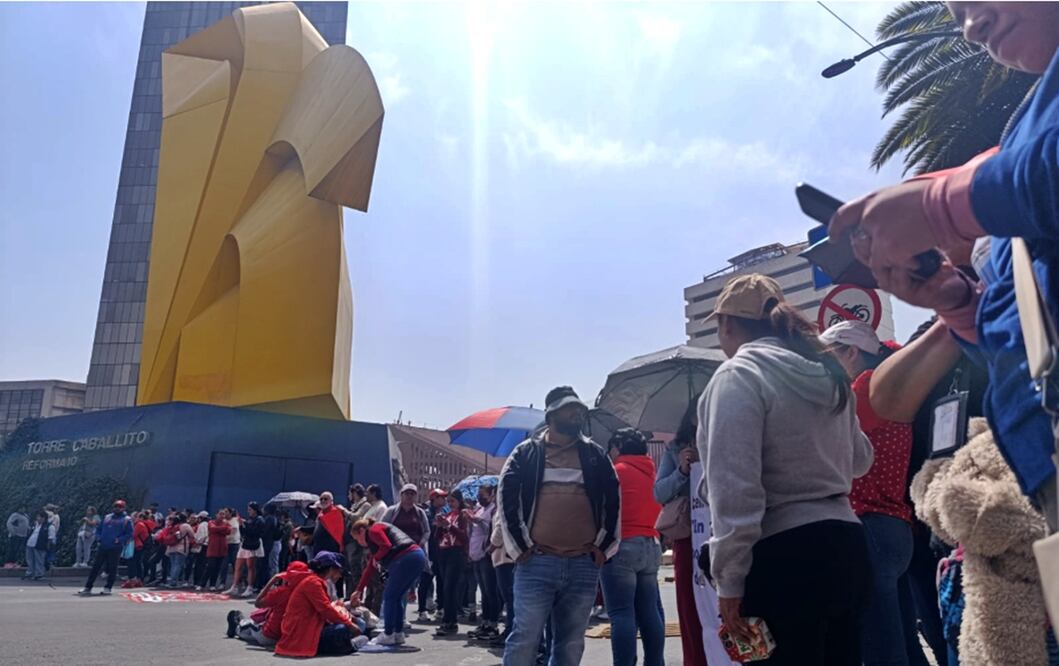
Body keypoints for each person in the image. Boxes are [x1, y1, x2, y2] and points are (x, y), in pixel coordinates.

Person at [828, 1, 1059, 529]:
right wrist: (956, 304)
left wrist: (942, 206)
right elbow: (1020, 334)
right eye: (957, 18)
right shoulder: (1029, 118)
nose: (972, 27)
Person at [698, 274, 874, 665]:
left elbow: (735, 489)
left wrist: (729, 581)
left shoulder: (738, 375)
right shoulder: (828, 373)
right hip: (846, 544)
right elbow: (861, 460)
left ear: (726, 324)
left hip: (782, 556)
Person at [820, 320, 926, 666]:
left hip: (868, 523)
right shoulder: (884, 382)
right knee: (904, 642)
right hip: (895, 525)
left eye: (828, 355)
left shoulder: (864, 386)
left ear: (851, 352)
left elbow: (829, 442)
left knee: (882, 648)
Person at [498, 385, 621, 666]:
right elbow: (506, 499)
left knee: (571, 642)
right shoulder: (526, 453)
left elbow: (613, 499)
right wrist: (521, 547)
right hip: (536, 563)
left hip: (583, 564)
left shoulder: (595, 455)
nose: (577, 413)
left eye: (578, 409)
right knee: (525, 639)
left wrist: (604, 546)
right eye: (570, 409)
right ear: (552, 413)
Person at [602, 428, 665, 666]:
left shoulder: (615, 472)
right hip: (651, 544)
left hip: (622, 546)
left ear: (617, 446)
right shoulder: (652, 472)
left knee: (621, 614)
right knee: (650, 612)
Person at [653, 402, 706, 666]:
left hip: (725, 534)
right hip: (688, 536)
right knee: (690, 606)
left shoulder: (730, 435)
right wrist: (682, 470)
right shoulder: (675, 449)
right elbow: (659, 492)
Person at [350, 518, 429, 646]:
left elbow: (386, 545)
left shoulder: (373, 530)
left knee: (389, 597)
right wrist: (358, 590)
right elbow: (370, 568)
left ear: (361, 531)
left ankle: (388, 633)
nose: (358, 543)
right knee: (397, 597)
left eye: (356, 538)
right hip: (416, 557)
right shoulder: (375, 542)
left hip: (405, 558)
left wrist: (376, 558)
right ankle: (398, 633)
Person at [275, 551, 359, 657]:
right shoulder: (313, 583)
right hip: (301, 632)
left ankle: (346, 643)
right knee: (341, 630)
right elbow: (326, 610)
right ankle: (347, 645)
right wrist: (349, 625)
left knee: (352, 624)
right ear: (330, 569)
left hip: (307, 627)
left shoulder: (315, 581)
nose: (338, 575)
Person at [228, 560, 314, 647]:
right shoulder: (308, 592)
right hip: (289, 635)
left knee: (247, 626)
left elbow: (258, 603)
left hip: (270, 635)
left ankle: (237, 626)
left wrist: (272, 581)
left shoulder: (282, 592)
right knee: (257, 625)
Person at [380, 484, 431, 620]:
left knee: (408, 585)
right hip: (395, 553)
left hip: (413, 553)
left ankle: (401, 617)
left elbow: (427, 531)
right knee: (395, 585)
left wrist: (421, 543)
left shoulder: (420, 513)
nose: (409, 497)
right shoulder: (392, 511)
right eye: (406, 493)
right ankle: (392, 618)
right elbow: (382, 527)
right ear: (401, 495)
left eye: (412, 494)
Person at [466, 484, 501, 641]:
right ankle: (485, 622)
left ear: (491, 495)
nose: (480, 498)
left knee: (490, 592)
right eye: (479, 495)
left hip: (486, 555)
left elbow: (491, 529)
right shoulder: (479, 508)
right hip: (475, 555)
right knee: (484, 593)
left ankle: (492, 624)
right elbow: (472, 531)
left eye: (483, 495)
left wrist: (477, 520)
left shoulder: (493, 510)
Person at [78, 499, 134, 596]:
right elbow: (99, 529)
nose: (117, 508)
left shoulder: (126, 520)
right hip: (103, 545)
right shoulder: (107, 517)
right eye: (116, 506)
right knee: (96, 567)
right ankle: (88, 587)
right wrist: (99, 538)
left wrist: (119, 540)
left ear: (123, 508)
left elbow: (129, 534)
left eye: (120, 507)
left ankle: (108, 587)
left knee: (113, 568)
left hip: (115, 547)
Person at [434, 489, 470, 636]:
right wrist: (439, 525)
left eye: (453, 501)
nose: (450, 504)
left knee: (450, 587)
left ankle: (451, 621)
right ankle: (446, 619)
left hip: (456, 552)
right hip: (444, 552)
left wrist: (449, 526)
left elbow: (463, 536)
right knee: (444, 586)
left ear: (459, 501)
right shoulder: (449, 514)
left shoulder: (463, 515)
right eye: (448, 502)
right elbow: (438, 536)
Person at [488, 504, 515, 648]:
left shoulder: (503, 508)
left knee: (510, 599)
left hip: (505, 558)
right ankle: (510, 630)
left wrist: (491, 546)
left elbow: (499, 528)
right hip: (505, 557)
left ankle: (510, 631)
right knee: (509, 599)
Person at [226, 502, 265, 597]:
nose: (248, 511)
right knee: (238, 565)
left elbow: (254, 532)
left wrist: (244, 524)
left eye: (250, 510)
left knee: (250, 566)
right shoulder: (251, 519)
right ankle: (234, 586)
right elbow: (244, 532)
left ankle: (250, 587)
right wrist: (242, 524)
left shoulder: (259, 520)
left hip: (252, 544)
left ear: (255, 510)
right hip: (245, 544)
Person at [424, 488, 448, 621]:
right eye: (441, 497)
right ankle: (426, 603)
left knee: (441, 579)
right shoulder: (428, 513)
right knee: (427, 578)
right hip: (431, 551)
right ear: (434, 499)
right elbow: (428, 531)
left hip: (442, 551)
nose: (444, 500)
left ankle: (440, 606)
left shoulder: (444, 512)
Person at [162, 512, 196, 588]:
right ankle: (173, 582)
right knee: (178, 565)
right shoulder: (186, 526)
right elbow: (192, 535)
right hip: (181, 548)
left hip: (171, 548)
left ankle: (171, 580)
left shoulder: (174, 525)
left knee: (173, 565)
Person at [204, 509, 233, 591]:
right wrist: (223, 529)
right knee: (210, 567)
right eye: (220, 514)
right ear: (216, 514)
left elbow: (228, 531)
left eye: (223, 514)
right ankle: (202, 583)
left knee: (217, 568)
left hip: (222, 549)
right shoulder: (211, 522)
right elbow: (212, 529)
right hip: (212, 548)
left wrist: (219, 529)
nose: (222, 516)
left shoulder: (226, 523)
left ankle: (212, 585)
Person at [24, 510, 55, 581]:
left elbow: (51, 537)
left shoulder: (49, 526)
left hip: (40, 545)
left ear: (44, 518)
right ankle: (30, 573)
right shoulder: (36, 525)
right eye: (38, 517)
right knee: (30, 560)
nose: (38, 519)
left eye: (40, 517)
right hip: (30, 544)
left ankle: (39, 574)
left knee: (39, 560)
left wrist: (48, 546)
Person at [219, 507, 241, 589]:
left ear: (231, 513)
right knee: (224, 564)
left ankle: (237, 583)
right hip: (226, 544)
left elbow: (233, 530)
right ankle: (222, 583)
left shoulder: (234, 520)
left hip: (234, 544)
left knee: (235, 564)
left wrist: (224, 533)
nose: (224, 513)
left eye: (226, 512)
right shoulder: (224, 521)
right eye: (224, 512)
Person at [259, 503, 280, 586]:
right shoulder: (275, 518)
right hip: (271, 543)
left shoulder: (269, 519)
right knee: (270, 563)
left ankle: (267, 582)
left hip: (267, 543)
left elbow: (265, 532)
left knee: (266, 564)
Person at [189, 511, 209, 589]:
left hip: (201, 546)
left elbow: (202, 536)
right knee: (203, 565)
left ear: (201, 518)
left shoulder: (202, 525)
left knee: (199, 565)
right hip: (206, 546)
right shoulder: (208, 524)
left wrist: (197, 542)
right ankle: (199, 582)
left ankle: (197, 582)